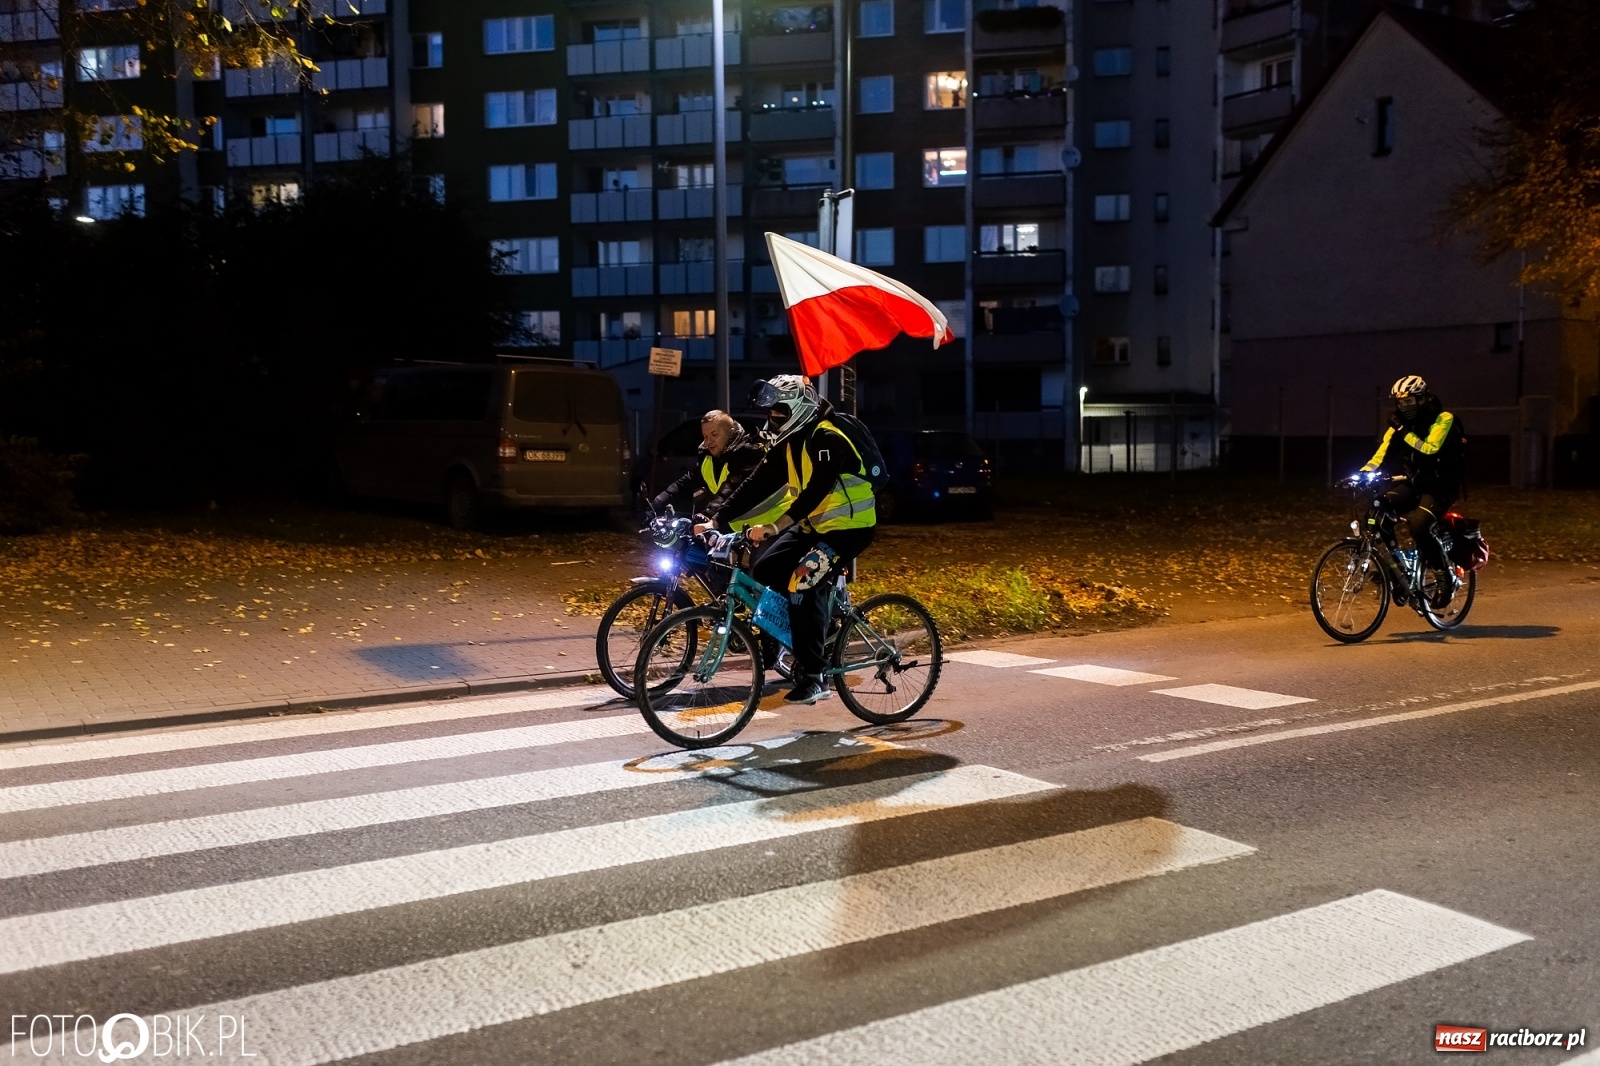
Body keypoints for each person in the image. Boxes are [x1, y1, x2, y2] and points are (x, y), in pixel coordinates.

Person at [709, 375, 877, 705]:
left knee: (801, 581)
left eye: (778, 412)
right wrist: (716, 519)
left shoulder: (827, 438)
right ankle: (807, 630)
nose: (772, 418)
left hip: (848, 528)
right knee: (766, 568)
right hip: (815, 528)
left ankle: (815, 676)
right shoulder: (789, 445)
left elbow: (815, 492)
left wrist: (776, 525)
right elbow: (756, 485)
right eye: (770, 412)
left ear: (798, 409)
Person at [1359, 375, 1468, 603]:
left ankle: (1443, 577)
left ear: (1422, 399)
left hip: (1441, 485)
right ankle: (1395, 570)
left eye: (1409, 401)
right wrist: (1362, 474)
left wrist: (1403, 432)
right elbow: (1382, 454)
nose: (1403, 407)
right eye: (1400, 403)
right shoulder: (1398, 424)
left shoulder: (1443, 419)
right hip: (1415, 482)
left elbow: (1429, 450)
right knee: (1376, 514)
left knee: (1419, 526)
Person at [650, 410, 767, 529]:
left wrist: (708, 513)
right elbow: (686, 483)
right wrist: (657, 503)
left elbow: (731, 489)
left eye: (714, 434)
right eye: (705, 436)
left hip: (766, 526)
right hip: (734, 529)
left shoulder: (749, 454)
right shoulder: (708, 458)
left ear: (730, 433)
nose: (708, 441)